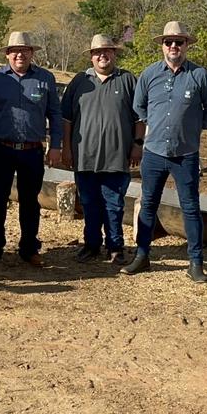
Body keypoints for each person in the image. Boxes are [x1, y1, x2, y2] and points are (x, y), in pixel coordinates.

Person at [122, 21, 207, 283]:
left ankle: (195, 263)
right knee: (148, 205)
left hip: (185, 154)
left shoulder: (200, 76)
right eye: (169, 42)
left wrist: (190, 128)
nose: (174, 46)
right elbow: (139, 107)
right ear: (162, 46)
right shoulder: (149, 74)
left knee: (191, 208)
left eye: (179, 42)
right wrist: (154, 125)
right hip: (154, 153)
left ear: (187, 45)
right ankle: (142, 256)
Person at [0, 31, 63, 267]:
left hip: (32, 150)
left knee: (30, 201)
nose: (19, 55)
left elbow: (55, 114)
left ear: (32, 53)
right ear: (7, 54)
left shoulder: (45, 78)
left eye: (24, 50)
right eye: (14, 51)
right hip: (2, 148)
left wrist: (56, 145)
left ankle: (29, 248)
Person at [61, 34, 143, 264]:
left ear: (114, 54)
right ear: (91, 56)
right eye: (97, 52)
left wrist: (138, 144)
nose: (102, 56)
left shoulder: (127, 80)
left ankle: (115, 247)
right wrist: (66, 148)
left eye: (107, 51)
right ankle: (91, 245)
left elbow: (140, 117)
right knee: (89, 204)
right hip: (84, 155)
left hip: (117, 156)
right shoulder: (79, 81)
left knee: (114, 204)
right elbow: (66, 119)